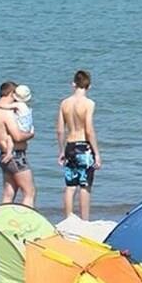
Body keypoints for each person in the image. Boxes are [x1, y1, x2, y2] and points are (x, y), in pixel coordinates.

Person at [56, 70, 101, 221]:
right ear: (89, 86)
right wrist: (97, 153)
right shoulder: (89, 104)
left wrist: (61, 150)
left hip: (70, 145)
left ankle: (68, 219)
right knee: (84, 185)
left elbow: (60, 130)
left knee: (70, 186)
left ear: (73, 84)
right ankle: (84, 220)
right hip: (83, 147)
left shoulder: (64, 103)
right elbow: (89, 129)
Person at [0, 81, 33, 206]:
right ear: (11, 93)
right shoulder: (7, 113)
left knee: (8, 193)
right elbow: (17, 137)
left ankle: (3, 216)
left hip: (4, 154)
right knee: (29, 193)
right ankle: (27, 217)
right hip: (16, 156)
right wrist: (31, 134)